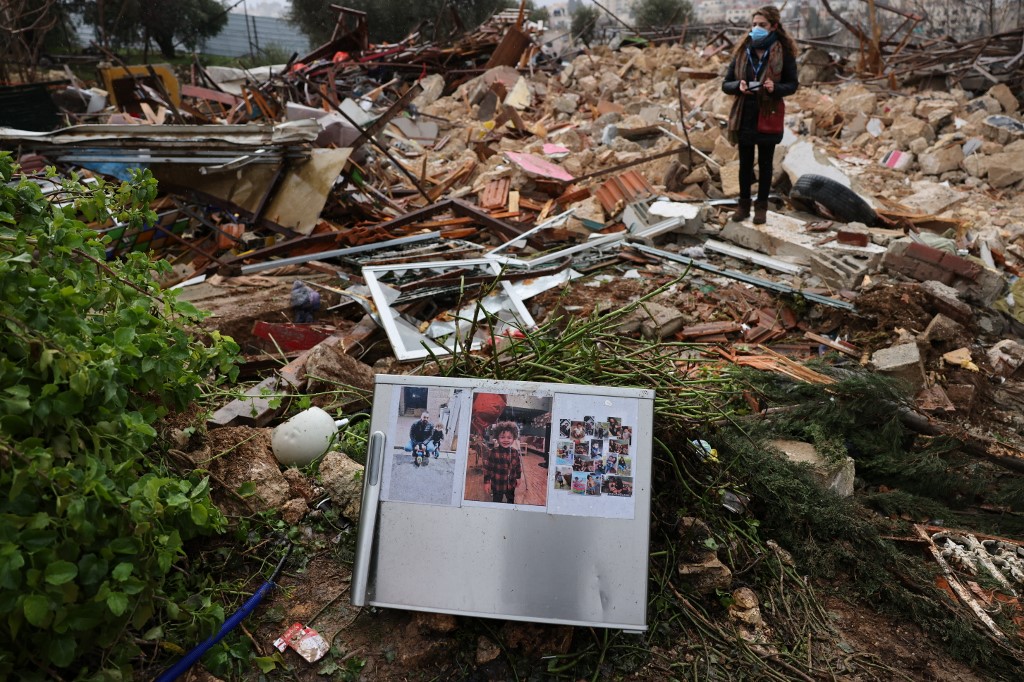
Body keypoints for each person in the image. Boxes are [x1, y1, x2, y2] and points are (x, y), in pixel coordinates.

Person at [722, 5, 799, 225]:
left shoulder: (783, 52)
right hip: (745, 113)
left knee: (765, 165)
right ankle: (743, 205)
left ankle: (761, 207)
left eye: (762, 25)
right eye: (754, 24)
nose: (756, 28)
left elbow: (792, 84)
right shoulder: (742, 52)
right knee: (745, 164)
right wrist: (740, 85)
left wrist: (776, 88)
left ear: (774, 26)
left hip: (768, 113)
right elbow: (725, 84)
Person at [483, 420, 522, 504]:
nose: (506, 440)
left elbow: (518, 467)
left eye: (509, 437)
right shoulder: (493, 452)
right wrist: (486, 482)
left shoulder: (515, 452)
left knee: (511, 500)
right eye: (502, 437)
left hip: (511, 484)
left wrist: (518, 478)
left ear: (513, 438)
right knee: (497, 501)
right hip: (497, 484)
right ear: (497, 438)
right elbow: (488, 469)